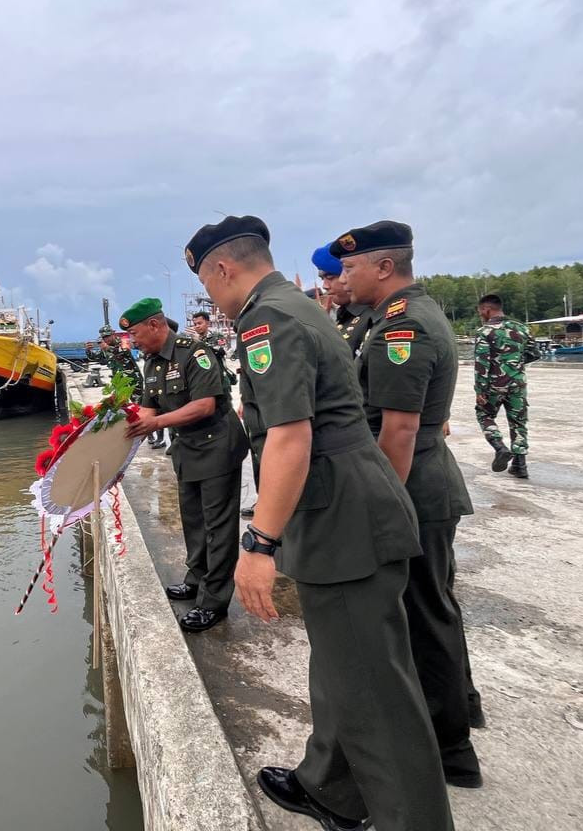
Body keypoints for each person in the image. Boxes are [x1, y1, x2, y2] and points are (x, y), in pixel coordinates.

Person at [187, 215, 452, 831]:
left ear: (222, 269)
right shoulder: (295, 307)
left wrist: (259, 544)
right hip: (344, 509)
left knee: (375, 694)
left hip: (342, 518)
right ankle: (331, 788)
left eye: (206, 285)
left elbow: (289, 437)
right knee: (345, 665)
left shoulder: (268, 320)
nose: (211, 300)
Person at [332, 220, 485, 783]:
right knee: (434, 604)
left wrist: (380, 509)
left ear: (384, 267)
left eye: (351, 267)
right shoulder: (394, 317)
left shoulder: (405, 326)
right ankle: (462, 709)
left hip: (413, 488)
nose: (344, 277)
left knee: (422, 614)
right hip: (420, 483)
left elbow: (398, 430)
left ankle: (450, 750)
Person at [121, 297, 249, 632]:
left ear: (155, 325)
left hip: (217, 445)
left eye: (135, 333)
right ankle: (196, 579)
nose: (132, 341)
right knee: (193, 520)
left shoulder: (194, 352)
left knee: (218, 526)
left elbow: (205, 405)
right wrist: (114, 437)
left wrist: (156, 423)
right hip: (187, 448)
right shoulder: (152, 363)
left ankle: (214, 602)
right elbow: (147, 411)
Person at [474, 294, 537, 478]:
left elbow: (482, 363)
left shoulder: (484, 332)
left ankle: (499, 447)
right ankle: (520, 465)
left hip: (494, 385)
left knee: (484, 414)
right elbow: (534, 353)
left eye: (480, 312)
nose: (480, 315)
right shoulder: (522, 328)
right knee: (518, 422)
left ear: (486, 309)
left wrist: (480, 390)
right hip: (517, 384)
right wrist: (514, 364)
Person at [311, 244, 373, 356]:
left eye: (330, 278)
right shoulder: (343, 314)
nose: (325, 286)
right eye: (322, 279)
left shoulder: (371, 314)